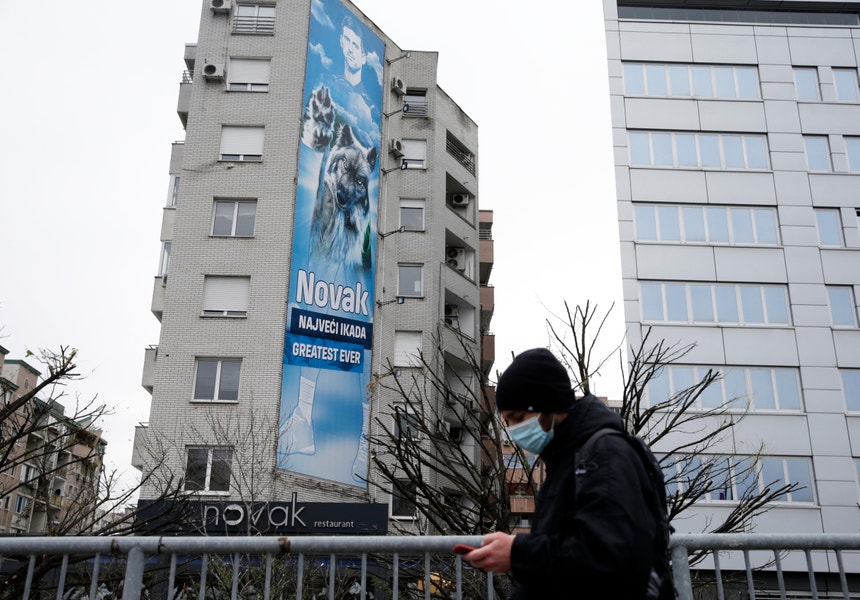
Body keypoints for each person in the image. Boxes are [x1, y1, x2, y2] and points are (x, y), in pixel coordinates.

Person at [463, 348, 660, 599]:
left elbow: (610, 557)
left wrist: (518, 552)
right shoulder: (567, 458)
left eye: (518, 417)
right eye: (508, 421)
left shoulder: (604, 454)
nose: (513, 430)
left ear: (547, 404)